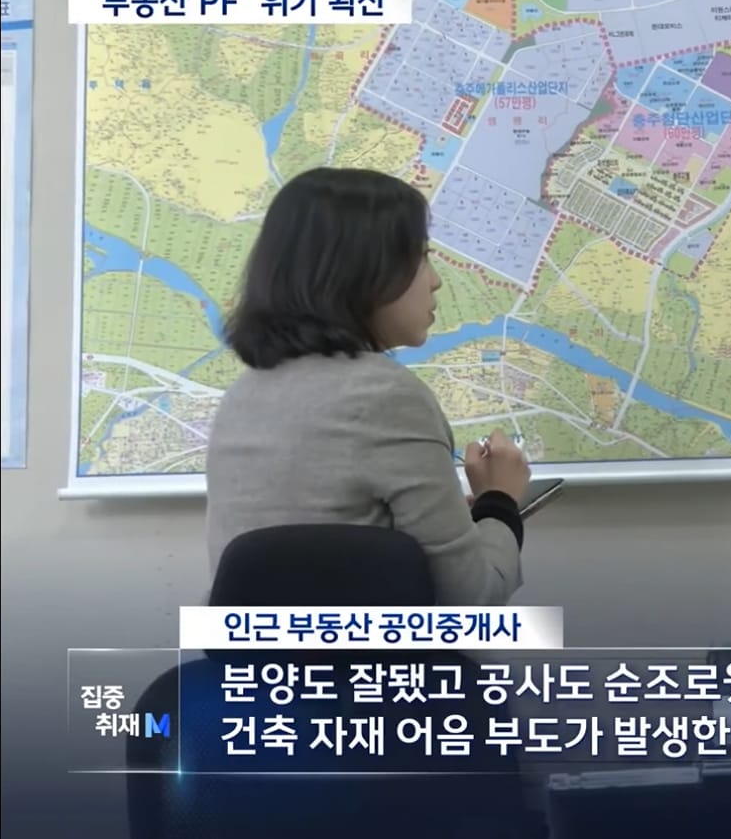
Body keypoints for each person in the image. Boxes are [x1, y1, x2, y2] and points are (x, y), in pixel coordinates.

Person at [205, 167, 531, 606]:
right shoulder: (387, 397)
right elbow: (470, 601)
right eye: (421, 256)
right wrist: (499, 501)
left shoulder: (243, 394)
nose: (435, 280)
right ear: (363, 270)